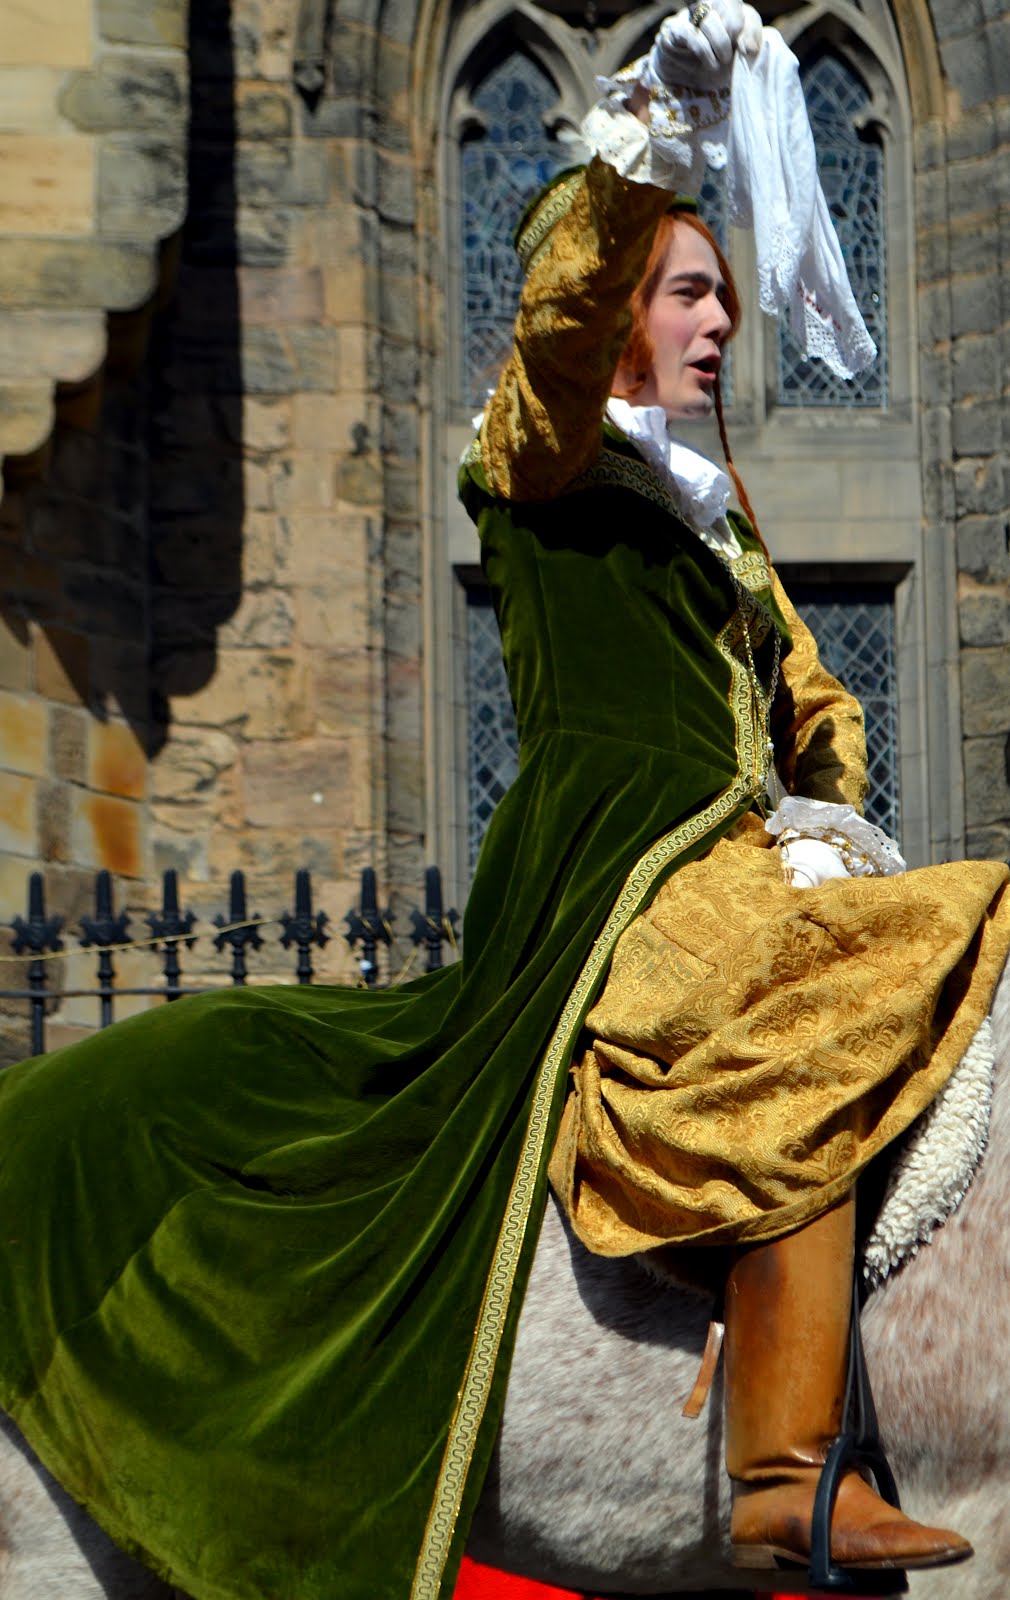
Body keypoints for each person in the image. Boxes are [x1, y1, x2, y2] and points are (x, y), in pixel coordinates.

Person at [0, 8, 1007, 1600]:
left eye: (723, 290)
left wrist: (831, 812)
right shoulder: (536, 457)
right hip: (622, 866)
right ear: (612, 312)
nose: (718, 316)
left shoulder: (709, 514)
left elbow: (809, 709)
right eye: (684, 289)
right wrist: (645, 158)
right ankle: (778, 1477)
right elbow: (548, 331)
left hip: (739, 855)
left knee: (931, 922)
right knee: (826, 1002)